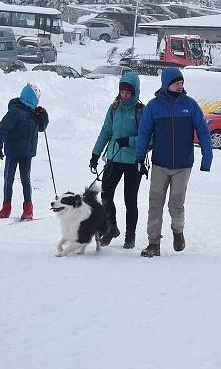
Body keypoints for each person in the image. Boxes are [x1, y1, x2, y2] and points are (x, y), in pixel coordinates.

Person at [134, 68, 213, 258]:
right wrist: (139, 157)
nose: (180, 86)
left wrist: (207, 157)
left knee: (176, 204)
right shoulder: (153, 107)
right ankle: (153, 243)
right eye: (176, 83)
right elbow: (144, 133)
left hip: (183, 164)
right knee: (155, 203)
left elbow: (203, 131)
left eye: (181, 83)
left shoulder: (190, 105)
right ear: (166, 84)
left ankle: (178, 232)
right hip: (160, 163)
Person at [90, 71, 145, 249]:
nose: (125, 96)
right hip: (113, 158)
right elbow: (106, 131)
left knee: (130, 200)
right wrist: (95, 154)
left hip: (133, 161)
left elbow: (148, 138)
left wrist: (129, 141)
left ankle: (130, 235)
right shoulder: (114, 108)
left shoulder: (140, 111)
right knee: (106, 194)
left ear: (135, 92)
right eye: (122, 92)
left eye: (129, 93)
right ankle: (111, 228)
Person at [0, 84, 49, 220]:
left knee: (26, 180)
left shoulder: (34, 113)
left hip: (27, 153)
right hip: (12, 151)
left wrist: (44, 115)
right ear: (31, 97)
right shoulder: (15, 111)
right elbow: (2, 129)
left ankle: (28, 209)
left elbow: (42, 127)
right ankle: (6, 207)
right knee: (8, 179)